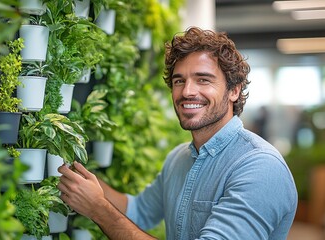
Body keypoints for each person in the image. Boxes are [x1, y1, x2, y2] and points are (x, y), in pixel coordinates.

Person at [57, 27, 298, 240]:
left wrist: (98, 209)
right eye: (179, 81)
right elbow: (138, 212)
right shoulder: (179, 159)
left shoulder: (260, 166)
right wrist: (81, 180)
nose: (187, 92)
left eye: (203, 80)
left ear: (234, 90)